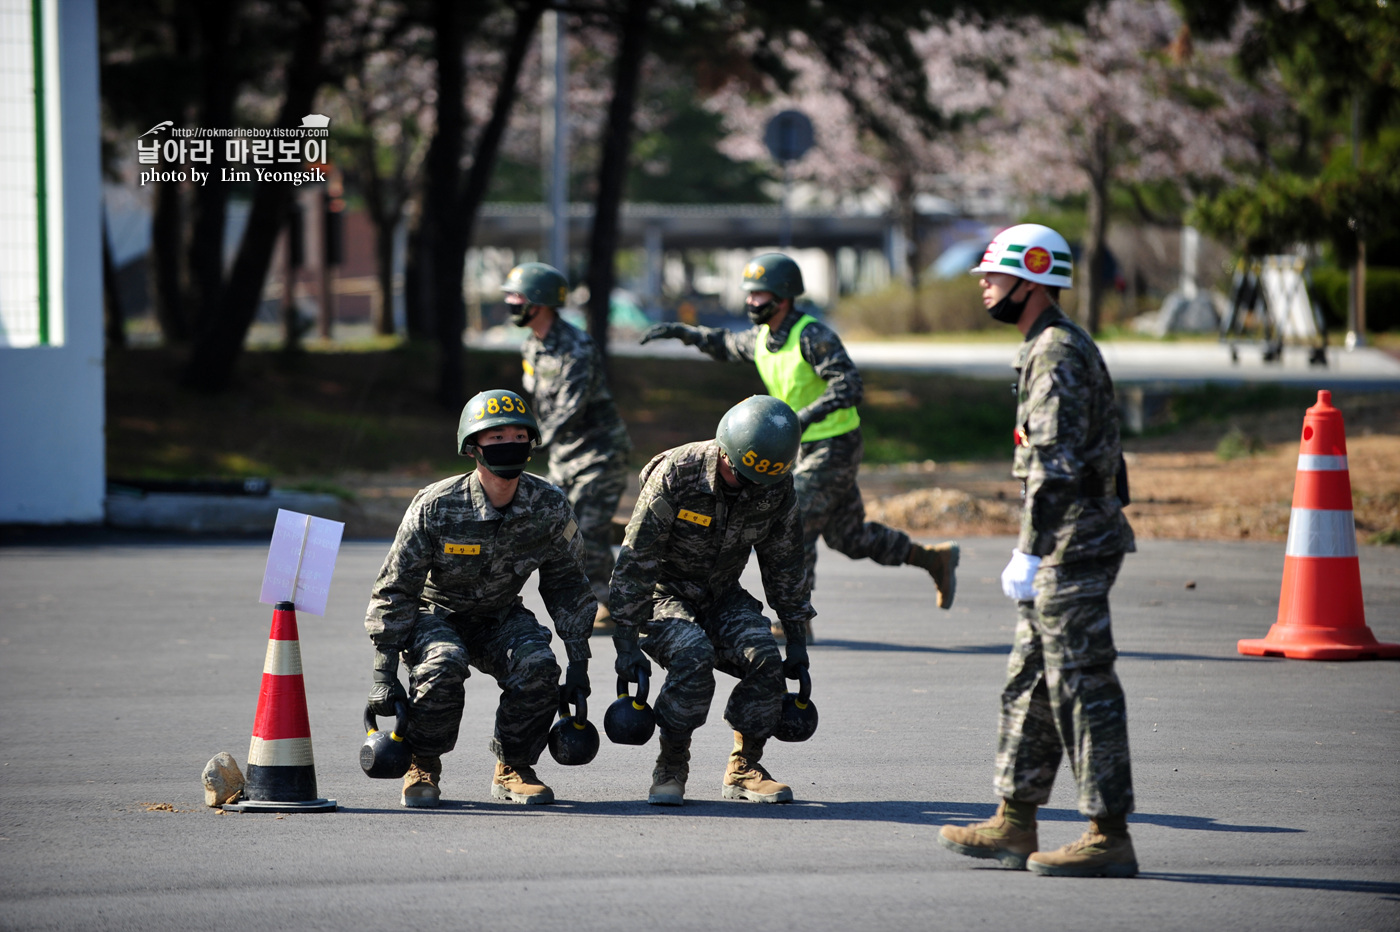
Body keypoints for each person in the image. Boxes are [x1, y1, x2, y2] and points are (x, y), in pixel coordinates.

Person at [936, 223, 1138, 877]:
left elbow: (1053, 462)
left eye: (994, 277)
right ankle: (1015, 821)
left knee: (1083, 686)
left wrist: (1029, 550)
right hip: (1061, 542)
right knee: (1030, 683)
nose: (985, 287)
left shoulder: (1054, 351)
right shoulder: (1045, 346)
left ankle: (1108, 834)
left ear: (1032, 280)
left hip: (1072, 545)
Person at [639, 253, 958, 635]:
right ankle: (932, 559)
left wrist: (803, 417)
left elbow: (849, 384)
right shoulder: (762, 338)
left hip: (833, 444)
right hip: (798, 448)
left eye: (759, 295)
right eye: (749, 294)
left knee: (796, 519)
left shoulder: (812, 335)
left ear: (783, 296)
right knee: (849, 537)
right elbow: (725, 344)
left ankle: (797, 622)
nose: (751, 301)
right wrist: (685, 333)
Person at [364, 388, 595, 809]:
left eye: (518, 435)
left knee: (539, 664)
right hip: (436, 615)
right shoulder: (436, 506)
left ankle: (514, 767)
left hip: (500, 615)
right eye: (496, 437)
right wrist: (384, 670)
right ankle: (423, 764)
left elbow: (568, 584)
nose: (510, 444)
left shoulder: (549, 505)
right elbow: (396, 587)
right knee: (444, 662)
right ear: (473, 448)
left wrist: (578, 661)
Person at [608, 395, 813, 807]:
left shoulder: (773, 484)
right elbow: (636, 558)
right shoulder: (677, 474)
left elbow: (785, 563)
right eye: (744, 477)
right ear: (725, 451)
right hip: (663, 595)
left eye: (762, 482)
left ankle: (744, 767)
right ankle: (671, 764)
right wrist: (626, 641)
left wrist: (795, 635)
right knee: (693, 654)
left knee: (764, 658)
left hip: (721, 594)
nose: (753, 489)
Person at [505, 262, 633, 635]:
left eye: (518, 297)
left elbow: (568, 407)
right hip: (564, 455)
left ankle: (610, 604)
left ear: (541, 302)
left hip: (598, 454)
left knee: (587, 531)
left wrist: (528, 441)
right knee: (568, 530)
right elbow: (540, 403)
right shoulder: (532, 345)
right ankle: (616, 565)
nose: (512, 303)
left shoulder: (576, 348)